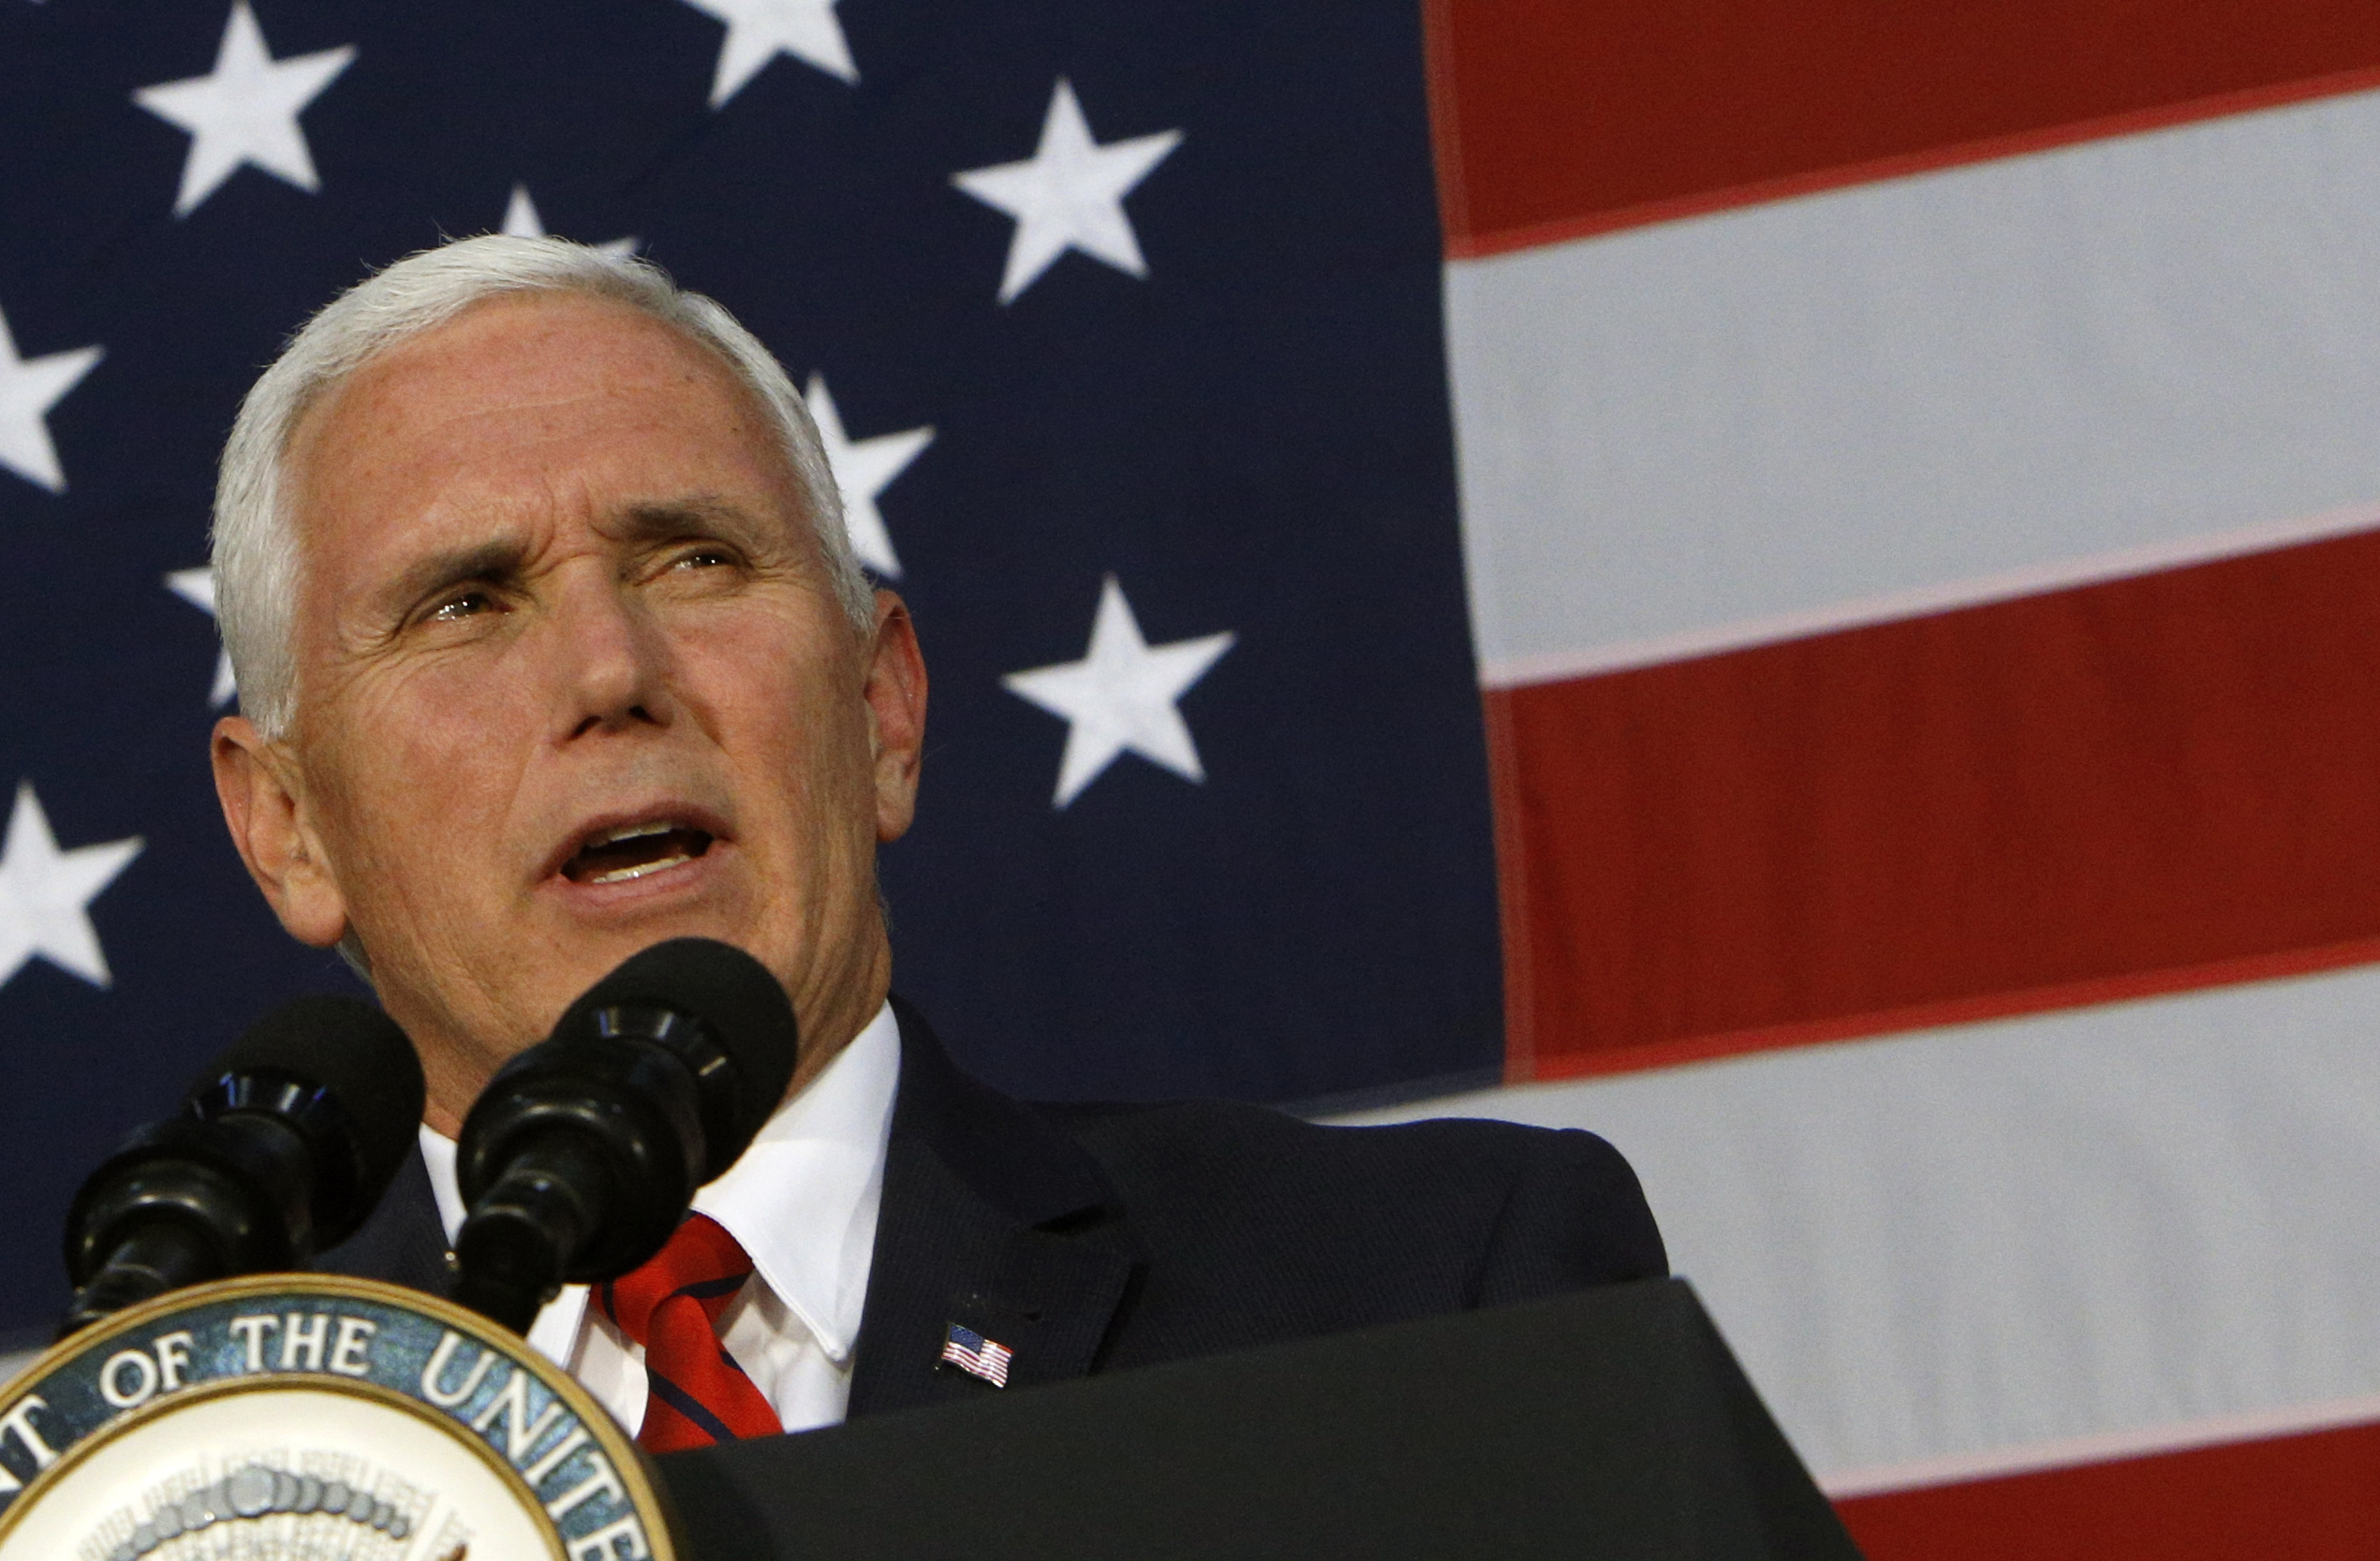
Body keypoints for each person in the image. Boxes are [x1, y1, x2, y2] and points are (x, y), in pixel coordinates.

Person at [197, 233, 1667, 1454]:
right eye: (465, 602)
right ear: (288, 826)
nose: (610, 670)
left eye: (695, 559)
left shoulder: (1430, 1300)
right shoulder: (171, 1484)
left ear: (884, 708)